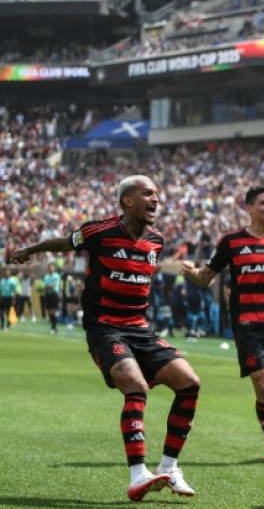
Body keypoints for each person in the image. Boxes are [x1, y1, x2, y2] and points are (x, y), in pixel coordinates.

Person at [9, 175, 201, 502]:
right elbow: (64, 242)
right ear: (128, 201)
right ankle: (138, 473)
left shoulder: (156, 239)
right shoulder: (99, 231)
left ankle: (169, 467)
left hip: (141, 328)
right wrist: (32, 249)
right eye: (148, 194)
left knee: (189, 382)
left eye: (157, 194)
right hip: (105, 328)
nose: (156, 199)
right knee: (136, 387)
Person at [181, 185, 264, 467]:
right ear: (249, 208)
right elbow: (207, 277)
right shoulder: (231, 242)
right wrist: (193, 275)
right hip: (248, 327)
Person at [42, 263, 62, 333]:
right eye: (49, 267)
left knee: (53, 311)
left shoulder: (56, 275)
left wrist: (48, 287)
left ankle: (53, 327)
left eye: (52, 267)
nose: (50, 269)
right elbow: (45, 287)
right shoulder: (46, 277)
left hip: (54, 294)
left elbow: (52, 286)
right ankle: (54, 327)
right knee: (49, 312)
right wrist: (48, 287)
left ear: (54, 268)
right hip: (48, 295)